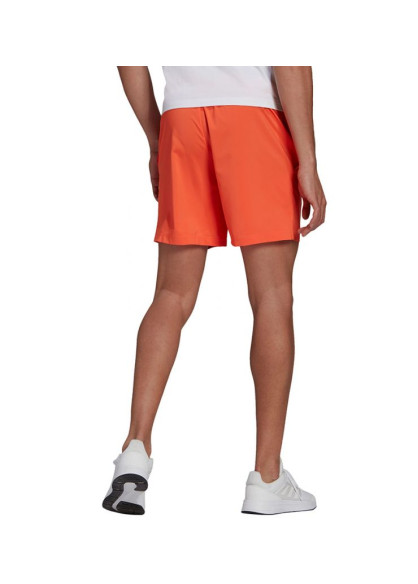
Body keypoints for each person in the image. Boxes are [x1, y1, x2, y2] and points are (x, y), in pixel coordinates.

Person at [102, 66, 327, 515]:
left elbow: (127, 57)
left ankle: (135, 449)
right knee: (272, 296)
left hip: (182, 121)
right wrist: (309, 161)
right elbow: (289, 62)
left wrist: (156, 139)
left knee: (171, 294)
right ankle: (267, 477)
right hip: (255, 118)